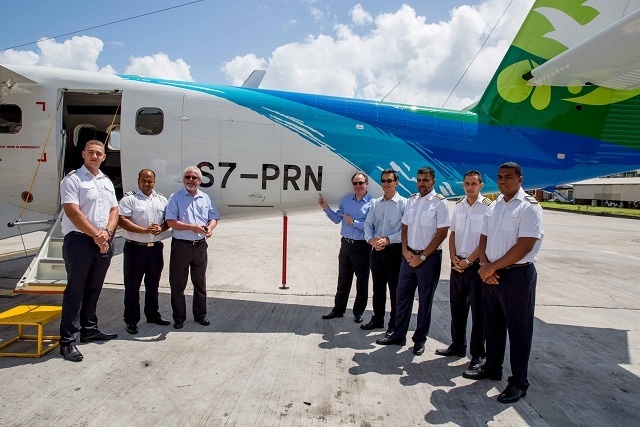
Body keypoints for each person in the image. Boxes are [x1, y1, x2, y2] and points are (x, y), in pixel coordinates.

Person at [462, 162, 543, 405]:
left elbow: (525, 244)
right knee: (492, 326)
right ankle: (492, 367)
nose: (503, 181)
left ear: (520, 179)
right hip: (491, 273)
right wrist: (485, 265)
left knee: (519, 331)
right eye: (499, 177)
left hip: (517, 276)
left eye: (508, 177)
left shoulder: (529, 207)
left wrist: (491, 267)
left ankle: (519, 382)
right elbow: (484, 237)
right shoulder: (494, 205)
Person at [376, 166, 450, 356]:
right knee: (402, 297)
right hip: (408, 257)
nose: (422, 184)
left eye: (426, 180)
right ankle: (398, 334)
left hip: (429, 259)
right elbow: (405, 227)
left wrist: (423, 256)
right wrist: (405, 251)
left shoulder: (440, 203)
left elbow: (442, 233)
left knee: (424, 301)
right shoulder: (412, 201)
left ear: (433, 181)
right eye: (419, 180)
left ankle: (419, 340)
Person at [59, 140, 119, 362]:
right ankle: (67, 342)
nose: (95, 156)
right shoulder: (73, 180)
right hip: (80, 242)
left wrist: (107, 233)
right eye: (91, 153)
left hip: (103, 240)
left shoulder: (106, 182)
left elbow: (114, 209)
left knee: (94, 288)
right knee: (75, 291)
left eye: (99, 154)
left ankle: (89, 329)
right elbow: (73, 212)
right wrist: (97, 235)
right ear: (83, 154)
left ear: (104, 157)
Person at [435, 170, 491, 370]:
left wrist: (468, 260)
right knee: (457, 308)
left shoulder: (487, 208)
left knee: (478, 312)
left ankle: (477, 354)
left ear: (481, 185)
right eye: (466, 183)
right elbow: (453, 234)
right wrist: (453, 258)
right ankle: (457, 345)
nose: (469, 187)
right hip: (457, 265)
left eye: (473, 183)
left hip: (475, 266)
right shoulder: (458, 207)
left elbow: (486, 240)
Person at [165, 166, 220, 329]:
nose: (190, 180)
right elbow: (171, 222)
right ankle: (179, 317)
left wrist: (210, 228)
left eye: (194, 178)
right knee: (178, 284)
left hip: (200, 246)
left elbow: (214, 217)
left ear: (200, 181)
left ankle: (200, 315)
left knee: (200, 283)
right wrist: (192, 227)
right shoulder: (175, 198)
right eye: (187, 177)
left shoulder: (205, 198)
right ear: (184, 180)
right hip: (181, 246)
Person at [118, 169, 171, 335]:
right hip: (135, 249)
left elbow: (168, 222)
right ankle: (132, 321)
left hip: (155, 249)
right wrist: (144, 231)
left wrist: (160, 229)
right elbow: (122, 221)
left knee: (153, 285)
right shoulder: (129, 199)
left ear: (154, 182)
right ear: (138, 180)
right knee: (132, 287)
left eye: (150, 181)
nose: (147, 184)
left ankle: (152, 314)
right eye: (144, 181)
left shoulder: (161, 199)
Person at [318, 171, 373, 323]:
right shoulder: (345, 201)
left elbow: (371, 227)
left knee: (362, 281)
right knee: (343, 279)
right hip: (346, 245)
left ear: (366, 184)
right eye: (355, 183)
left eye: (361, 183)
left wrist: (353, 223)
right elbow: (337, 219)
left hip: (362, 246)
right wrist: (326, 208)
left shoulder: (372, 204)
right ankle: (338, 310)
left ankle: (358, 312)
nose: (358, 186)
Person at [362, 169, 406, 336]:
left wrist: (388, 240)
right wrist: (370, 239)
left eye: (390, 181)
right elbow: (368, 224)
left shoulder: (404, 203)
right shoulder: (375, 203)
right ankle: (377, 318)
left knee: (395, 290)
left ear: (397, 183)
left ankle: (394, 324)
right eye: (384, 181)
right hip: (377, 249)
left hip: (394, 250)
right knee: (378, 288)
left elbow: (405, 230)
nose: (386, 184)